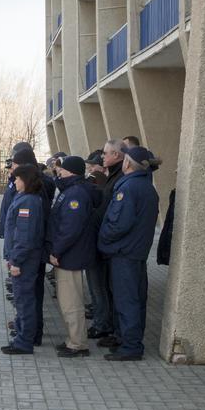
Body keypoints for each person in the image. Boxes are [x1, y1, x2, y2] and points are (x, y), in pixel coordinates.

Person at [98, 145, 160, 361]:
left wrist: (102, 238)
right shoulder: (145, 186)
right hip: (136, 252)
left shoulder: (129, 188)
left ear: (127, 163)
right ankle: (129, 341)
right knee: (135, 299)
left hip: (124, 253)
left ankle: (131, 346)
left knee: (127, 301)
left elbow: (118, 223)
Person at [49, 156, 99, 357]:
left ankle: (78, 344)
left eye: (62, 170)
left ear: (72, 172)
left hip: (70, 255)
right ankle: (74, 338)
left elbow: (70, 228)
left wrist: (56, 251)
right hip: (69, 254)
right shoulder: (70, 190)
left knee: (72, 301)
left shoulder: (75, 194)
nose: (59, 172)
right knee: (67, 300)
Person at [1, 163, 46, 355]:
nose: (15, 181)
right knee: (22, 299)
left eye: (17, 178)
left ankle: (24, 341)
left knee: (24, 300)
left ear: (25, 181)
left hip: (25, 259)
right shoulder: (25, 198)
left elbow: (25, 236)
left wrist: (16, 261)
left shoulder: (28, 202)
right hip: (21, 257)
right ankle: (21, 335)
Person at [89, 139, 126, 345]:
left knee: (104, 287)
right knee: (103, 287)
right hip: (104, 241)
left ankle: (106, 325)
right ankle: (107, 324)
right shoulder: (113, 176)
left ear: (117, 156)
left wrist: (104, 238)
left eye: (105, 153)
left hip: (109, 244)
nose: (102, 157)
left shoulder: (117, 179)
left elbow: (113, 215)